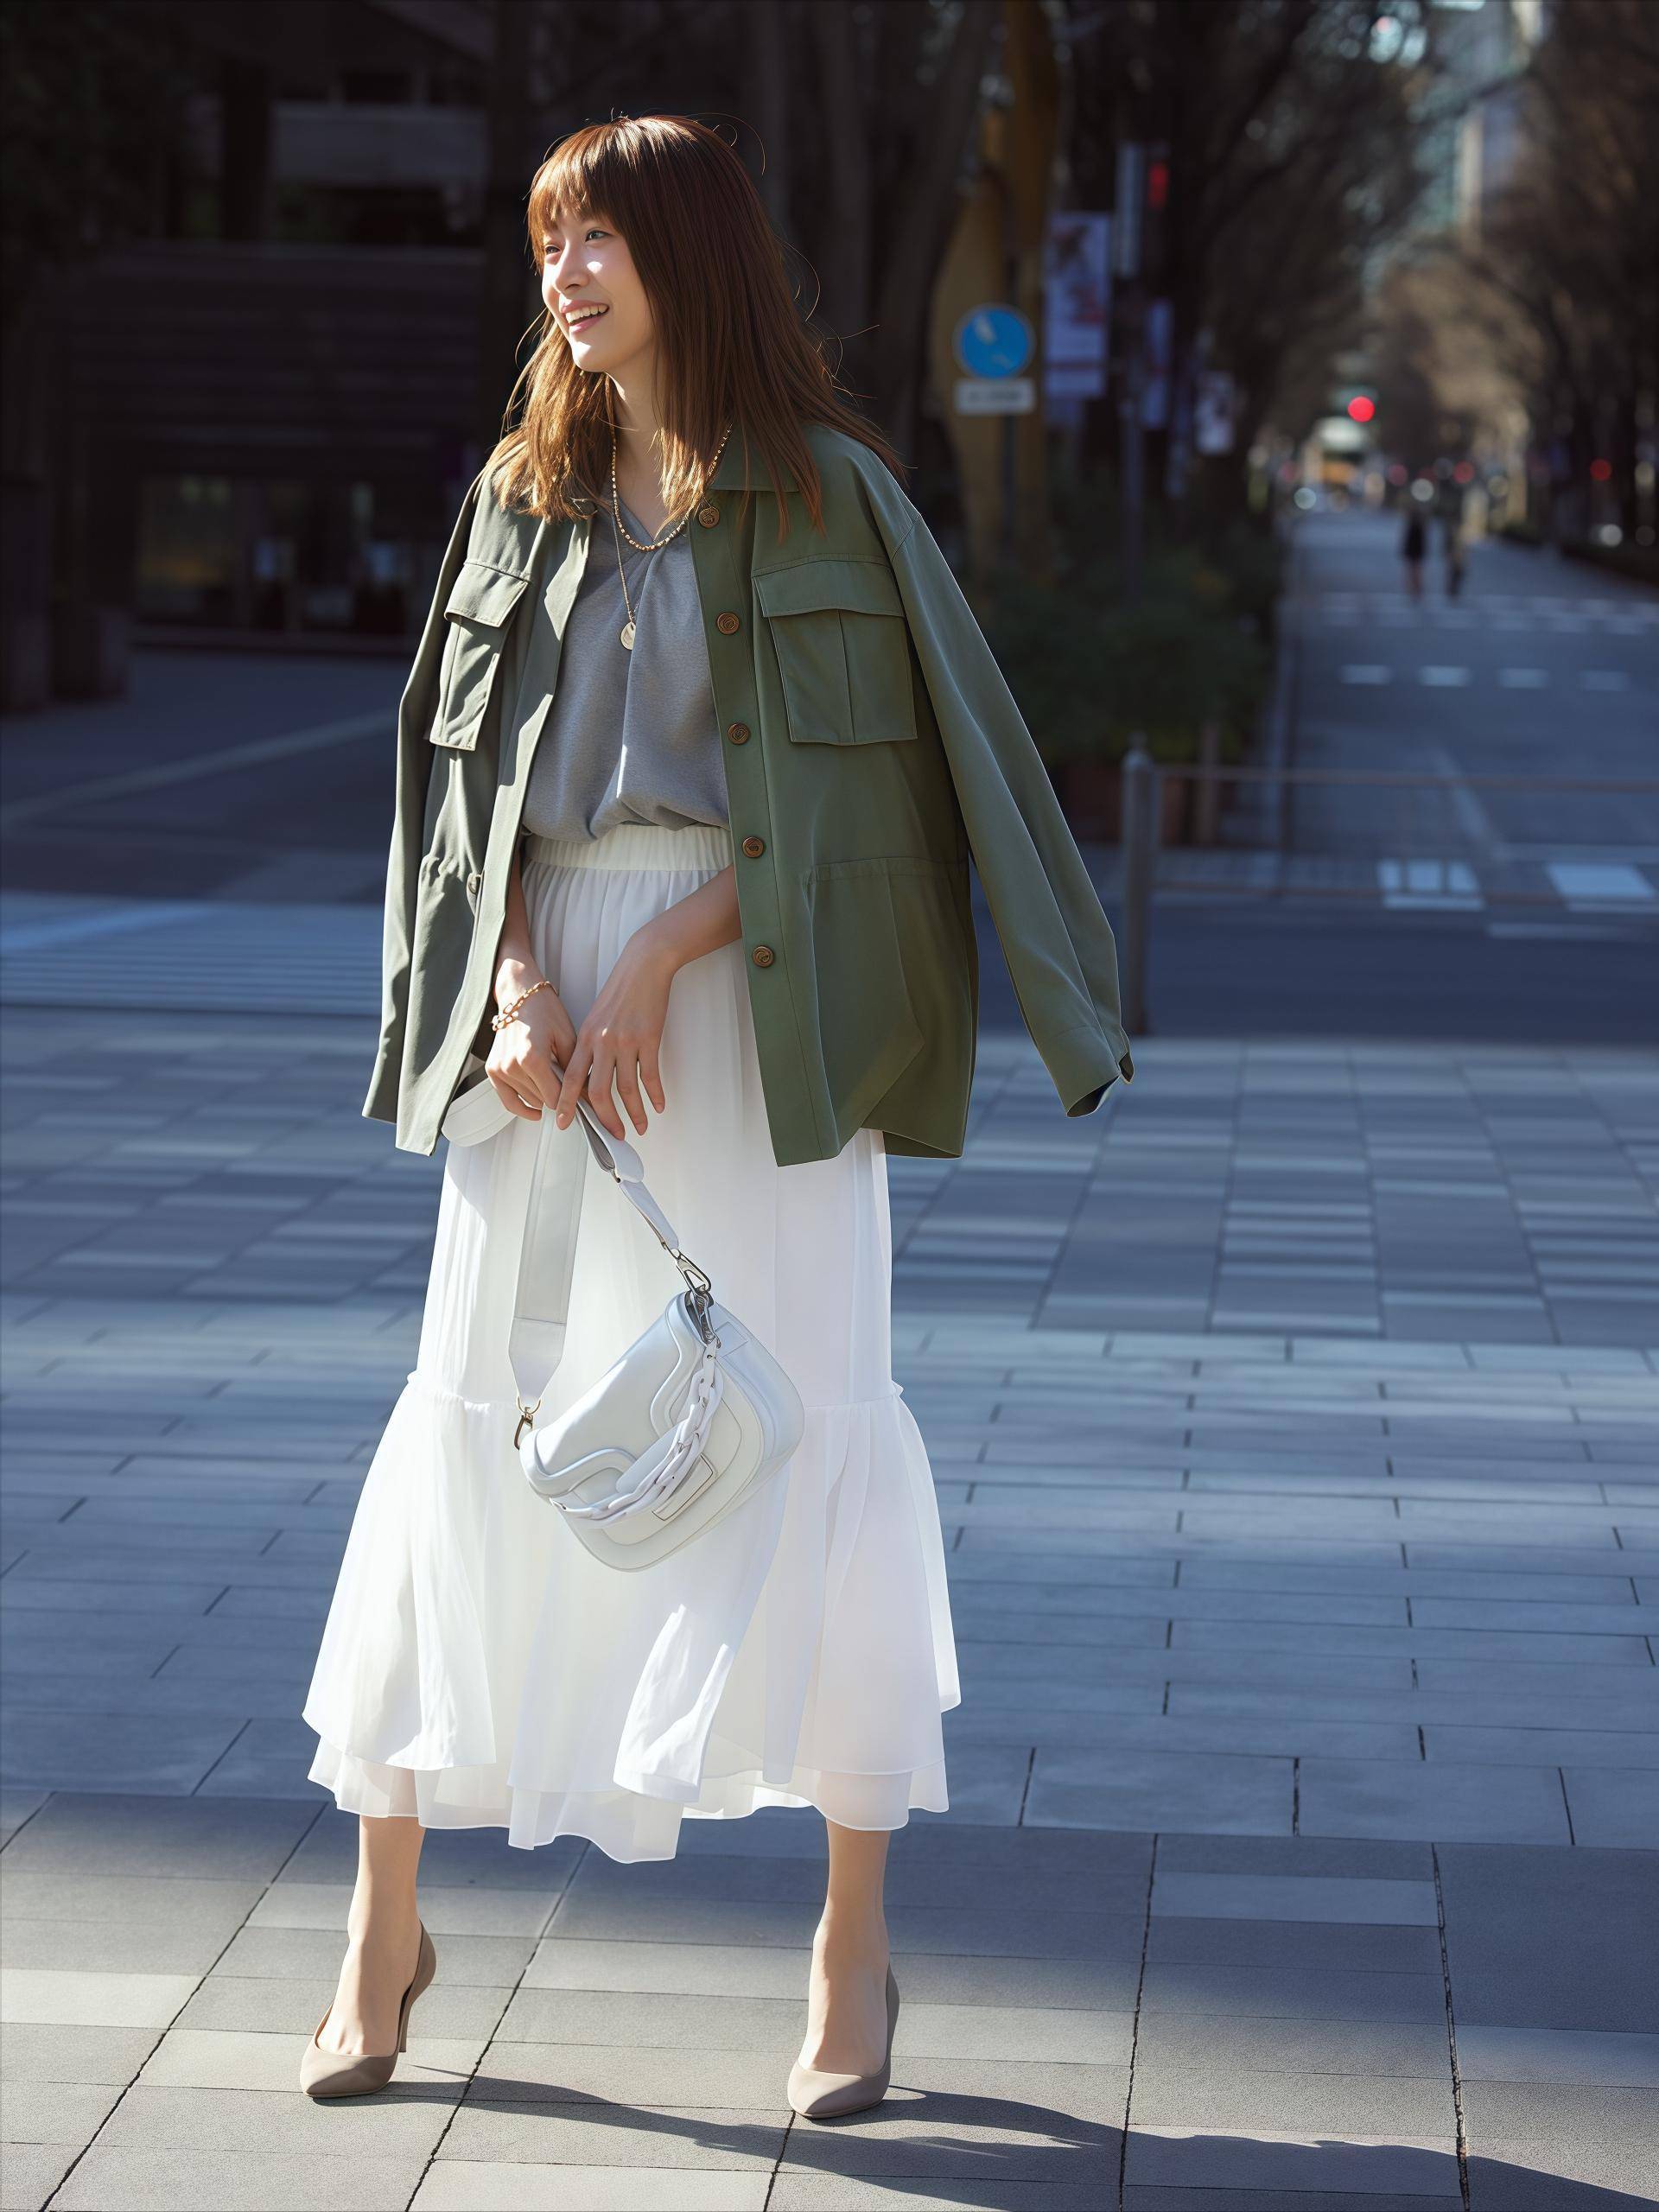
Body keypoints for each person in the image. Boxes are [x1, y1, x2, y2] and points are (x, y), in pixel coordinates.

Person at [299, 113, 1133, 2118]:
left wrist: (669, 951)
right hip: (537, 1017)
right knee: (478, 1404)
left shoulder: (835, 498)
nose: (566, 275)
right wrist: (518, 988)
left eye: (600, 237)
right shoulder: (520, 498)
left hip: (757, 1003)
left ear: (694, 256)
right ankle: (379, 1923)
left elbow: (890, 795)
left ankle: (851, 1944)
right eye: (550, 242)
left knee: (809, 1416)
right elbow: (463, 799)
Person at [1402, 504, 1427, 599]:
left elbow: (1411, 540)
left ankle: (1414, 589)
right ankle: (1414, 589)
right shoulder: (1417, 525)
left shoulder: (1416, 525)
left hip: (1415, 551)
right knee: (1414, 571)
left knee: (1414, 571)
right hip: (1415, 551)